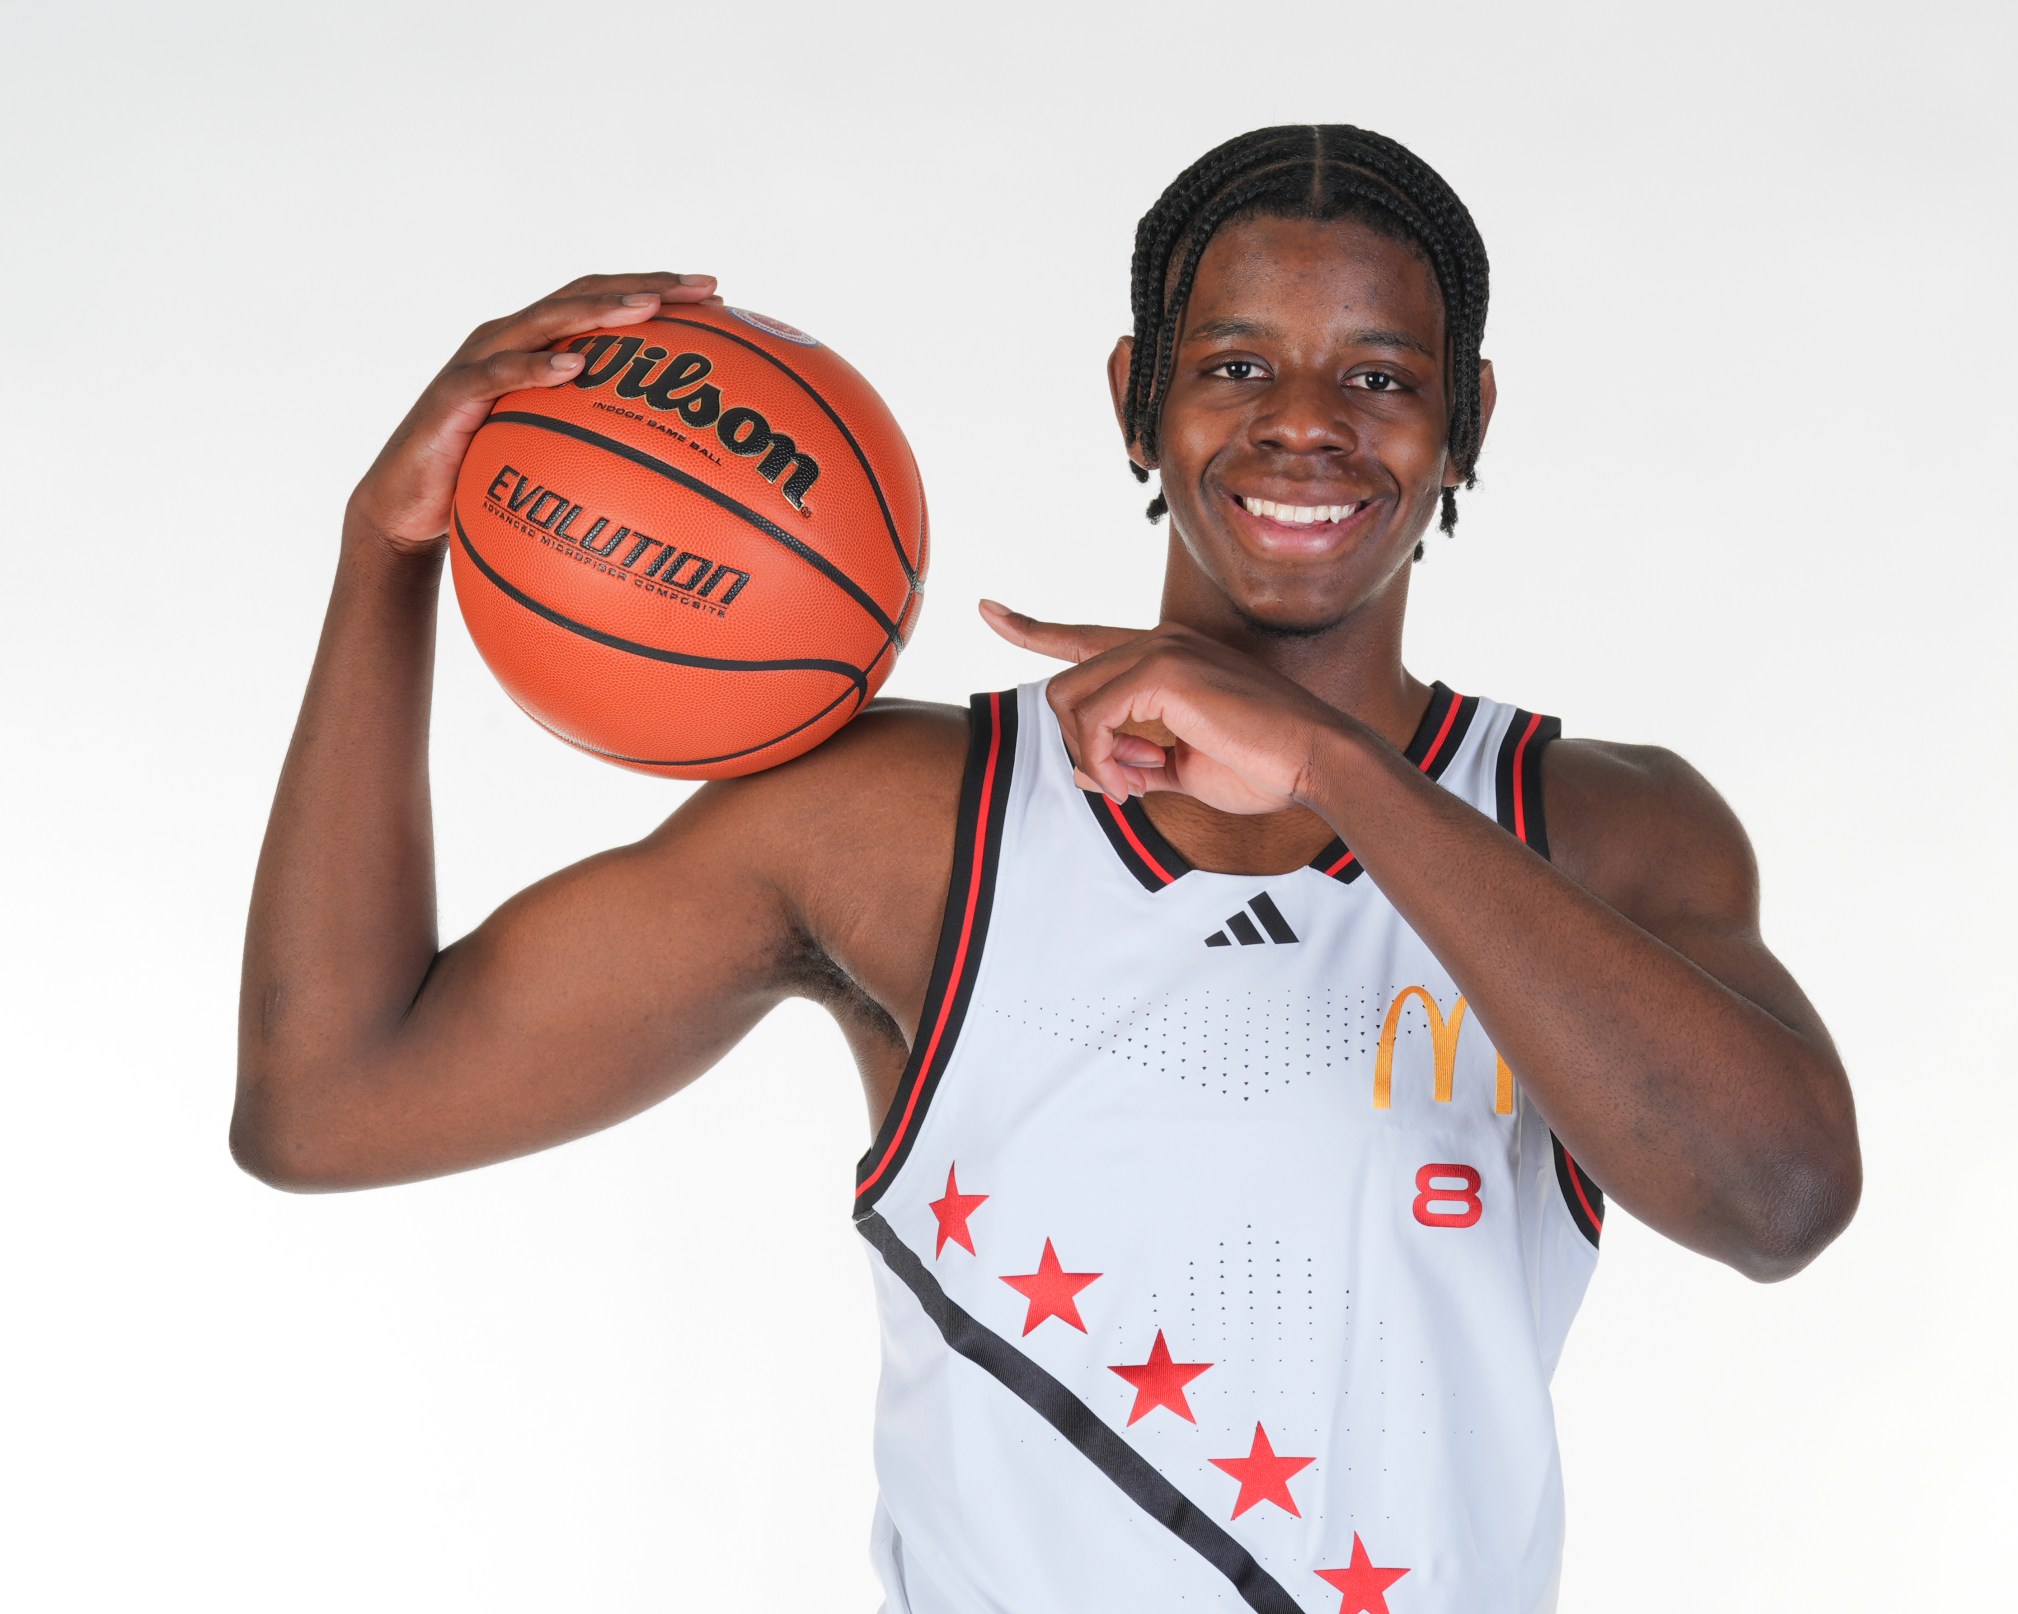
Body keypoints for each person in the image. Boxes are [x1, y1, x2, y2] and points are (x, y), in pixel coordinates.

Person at [235, 124, 1861, 1613]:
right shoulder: (901, 821)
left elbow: (1779, 1199)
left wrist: (1339, 774)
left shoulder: (1598, 826)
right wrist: (385, 559)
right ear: (1136, 397)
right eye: (1235, 364)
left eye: (1379, 377)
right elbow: (328, 1099)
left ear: (1469, 421)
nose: (1304, 420)